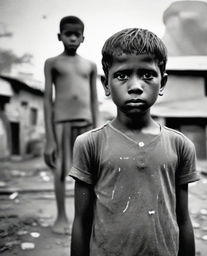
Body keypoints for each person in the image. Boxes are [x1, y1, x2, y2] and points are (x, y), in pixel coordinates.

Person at [69, 28, 200, 255]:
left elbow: (183, 221)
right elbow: (81, 221)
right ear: (106, 84)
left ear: (163, 82)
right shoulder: (90, 144)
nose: (136, 86)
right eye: (122, 75)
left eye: (148, 75)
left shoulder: (180, 146)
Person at [44, 16, 98, 234]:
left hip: (86, 124)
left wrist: (97, 129)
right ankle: (60, 217)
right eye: (68, 34)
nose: (73, 38)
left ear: (83, 37)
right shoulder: (53, 63)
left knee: (89, 173)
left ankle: (86, 219)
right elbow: (47, 100)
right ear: (60, 36)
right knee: (60, 170)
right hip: (62, 123)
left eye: (77, 34)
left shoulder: (90, 65)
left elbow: (94, 100)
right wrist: (49, 139)